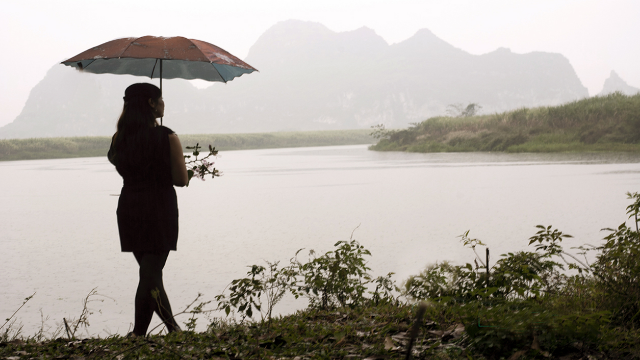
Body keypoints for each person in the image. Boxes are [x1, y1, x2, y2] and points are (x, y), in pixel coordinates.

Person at [107, 83, 188, 337]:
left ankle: (171, 330)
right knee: (150, 275)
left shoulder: (119, 139)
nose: (164, 104)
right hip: (159, 209)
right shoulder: (168, 137)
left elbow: (120, 164)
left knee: (150, 274)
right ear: (151, 103)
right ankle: (140, 334)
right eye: (161, 99)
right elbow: (180, 179)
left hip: (130, 207)